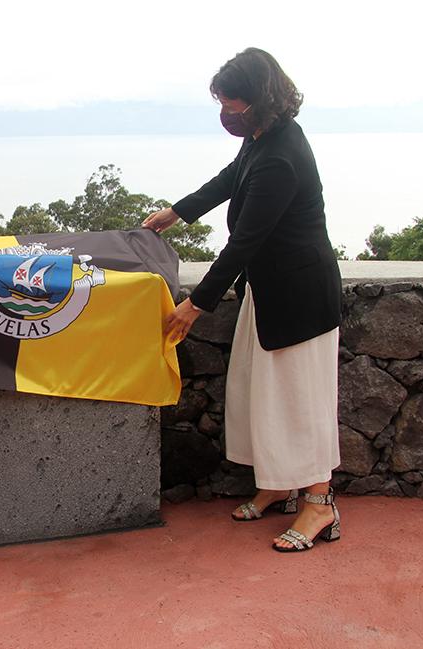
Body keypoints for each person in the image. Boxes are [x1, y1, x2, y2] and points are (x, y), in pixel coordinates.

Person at [143, 48, 343, 553]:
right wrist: (177, 212)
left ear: (259, 101)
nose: (226, 115)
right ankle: (279, 484)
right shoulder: (263, 139)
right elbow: (230, 179)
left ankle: (320, 504)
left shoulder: (281, 155)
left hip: (299, 298)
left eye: (232, 105)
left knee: (301, 400)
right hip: (269, 289)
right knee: (265, 394)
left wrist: (196, 305)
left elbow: (245, 241)